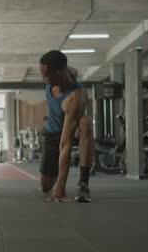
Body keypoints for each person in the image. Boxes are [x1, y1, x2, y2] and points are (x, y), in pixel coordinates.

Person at [39, 50, 94, 203]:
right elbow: (73, 71)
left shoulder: (75, 96)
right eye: (42, 74)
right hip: (51, 131)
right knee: (45, 185)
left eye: (47, 75)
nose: (43, 78)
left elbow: (65, 144)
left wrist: (61, 188)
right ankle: (57, 170)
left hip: (70, 131)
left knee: (85, 122)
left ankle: (83, 183)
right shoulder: (62, 74)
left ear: (59, 73)